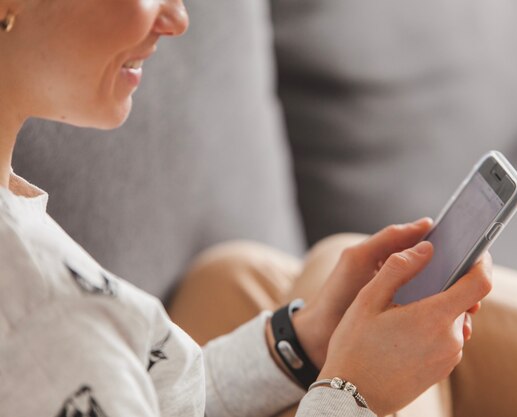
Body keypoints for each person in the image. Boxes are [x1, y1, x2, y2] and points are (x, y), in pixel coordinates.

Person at [0, 0, 492, 416]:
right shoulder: (45, 322)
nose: (176, 18)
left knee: (279, 270)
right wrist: (357, 391)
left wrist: (303, 343)